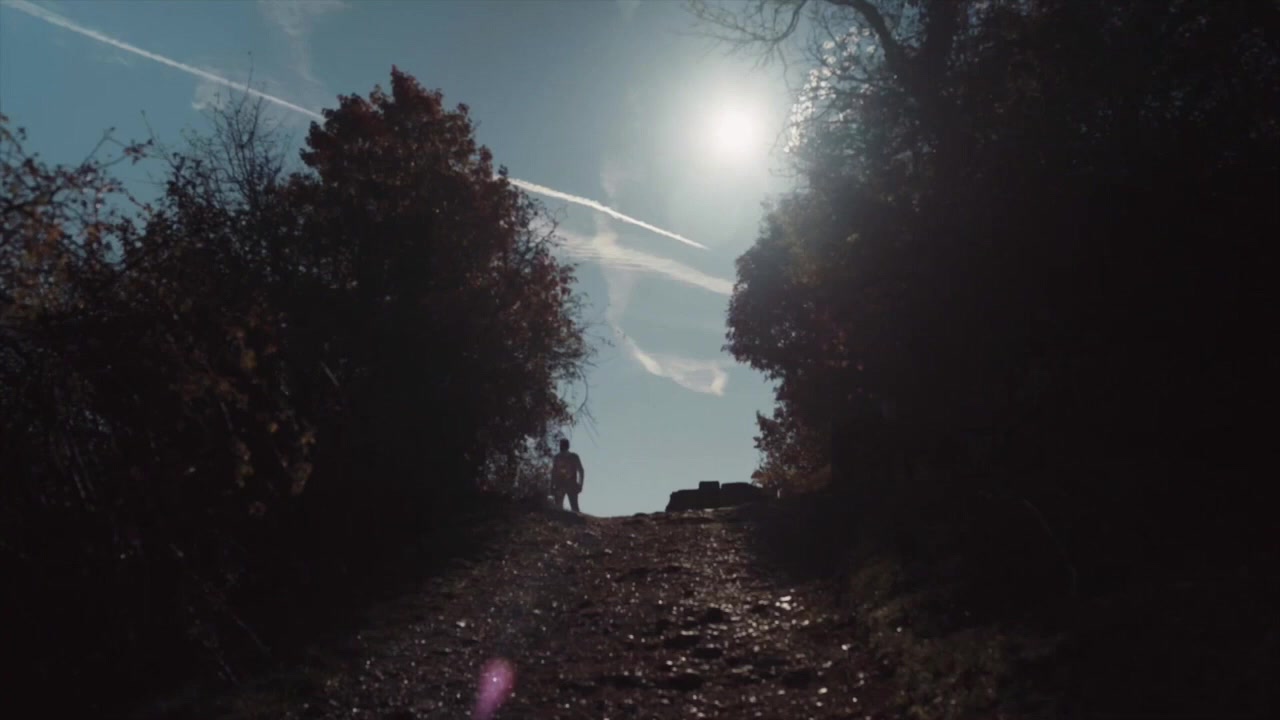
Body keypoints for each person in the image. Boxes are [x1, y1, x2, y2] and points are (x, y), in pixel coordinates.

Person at [549, 438, 584, 512]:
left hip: (563, 485)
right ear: (568, 446)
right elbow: (581, 471)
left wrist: (551, 486)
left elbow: (553, 473)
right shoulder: (573, 457)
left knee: (560, 509)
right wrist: (580, 484)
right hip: (567, 485)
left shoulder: (558, 457)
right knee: (573, 508)